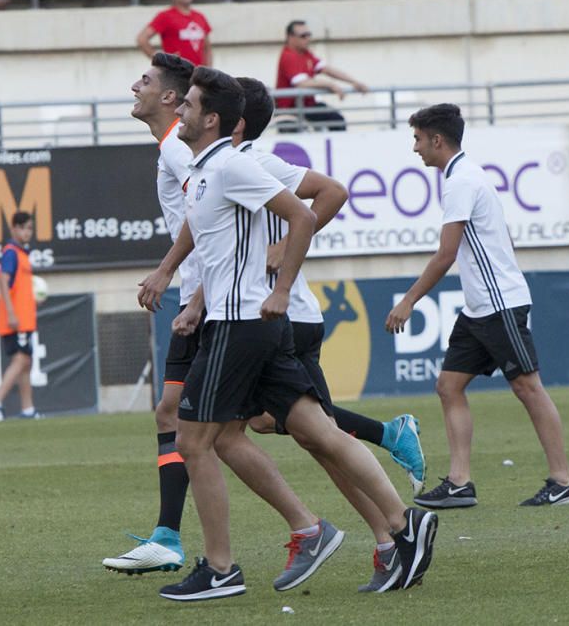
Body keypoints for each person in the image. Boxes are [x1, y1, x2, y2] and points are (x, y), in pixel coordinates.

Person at [138, 67, 438, 600]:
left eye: (188, 105)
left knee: (194, 439)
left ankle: (223, 567)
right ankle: (399, 522)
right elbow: (214, 240)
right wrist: (185, 290)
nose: (178, 111)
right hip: (245, 322)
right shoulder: (208, 169)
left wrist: (282, 285)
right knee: (316, 430)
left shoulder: (232, 165)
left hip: (242, 324)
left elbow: (301, 214)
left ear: (213, 119)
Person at [105, 54, 346, 595]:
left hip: (234, 313)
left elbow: (301, 209)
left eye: (147, 82)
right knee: (244, 428)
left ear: (182, 105)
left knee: (238, 429)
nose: (135, 88)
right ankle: (334, 527)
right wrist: (175, 276)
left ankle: (217, 558)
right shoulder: (198, 155)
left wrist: (268, 277)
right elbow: (201, 221)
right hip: (215, 306)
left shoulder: (193, 153)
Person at [386, 103, 569, 509]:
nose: (415, 148)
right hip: (480, 308)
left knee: (527, 386)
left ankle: (564, 481)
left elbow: (445, 255)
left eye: (418, 139)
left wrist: (408, 300)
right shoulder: (464, 176)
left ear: (437, 140)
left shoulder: (461, 182)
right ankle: (460, 483)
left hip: (498, 305)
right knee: (448, 386)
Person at [0, 212, 44, 421]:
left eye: (30, 229)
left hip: (25, 318)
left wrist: (33, 301)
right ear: (14, 229)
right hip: (16, 319)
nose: (27, 233)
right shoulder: (10, 252)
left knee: (27, 361)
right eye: (24, 228)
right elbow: (3, 281)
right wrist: (11, 313)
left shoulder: (22, 253)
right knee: (21, 359)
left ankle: (28, 409)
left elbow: (19, 288)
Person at [274, 20, 368, 133]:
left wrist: (354, 81)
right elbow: (302, 83)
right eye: (303, 36)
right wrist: (330, 85)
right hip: (289, 110)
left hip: (307, 106)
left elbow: (327, 70)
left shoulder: (306, 54)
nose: (308, 38)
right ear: (290, 37)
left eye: (309, 35)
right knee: (294, 136)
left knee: (337, 120)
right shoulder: (288, 56)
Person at [136, 0, 212, 69]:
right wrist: (161, 61)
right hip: (176, 74)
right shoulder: (165, 16)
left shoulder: (200, 17)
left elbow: (207, 48)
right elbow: (142, 39)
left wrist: (209, 71)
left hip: (197, 75)